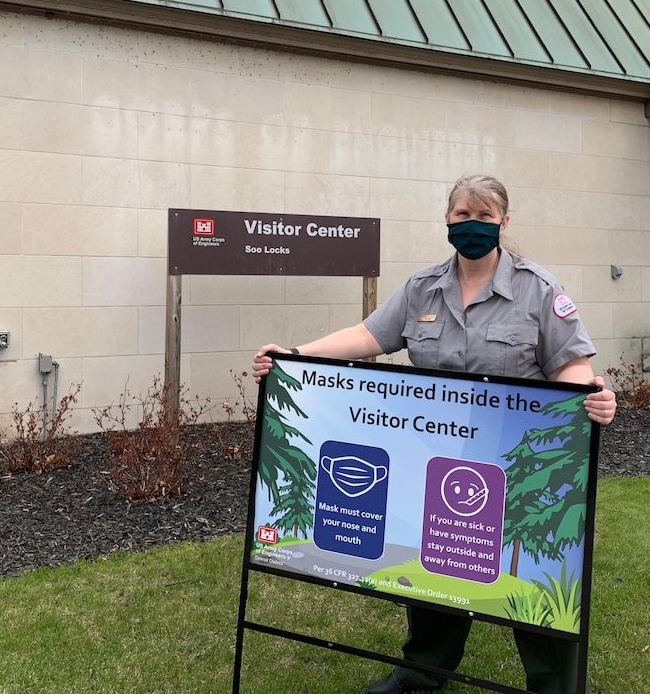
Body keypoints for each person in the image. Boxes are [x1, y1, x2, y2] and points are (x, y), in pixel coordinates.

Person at [253, 174, 616, 694]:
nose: (473, 225)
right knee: (438, 567)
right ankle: (422, 674)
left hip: (519, 463)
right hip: (437, 458)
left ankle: (553, 684)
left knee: (534, 578)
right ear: (448, 220)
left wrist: (590, 397)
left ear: (504, 223)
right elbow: (367, 336)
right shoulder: (423, 288)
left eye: (484, 217)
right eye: (463, 216)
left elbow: (572, 366)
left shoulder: (538, 289)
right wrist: (296, 355)